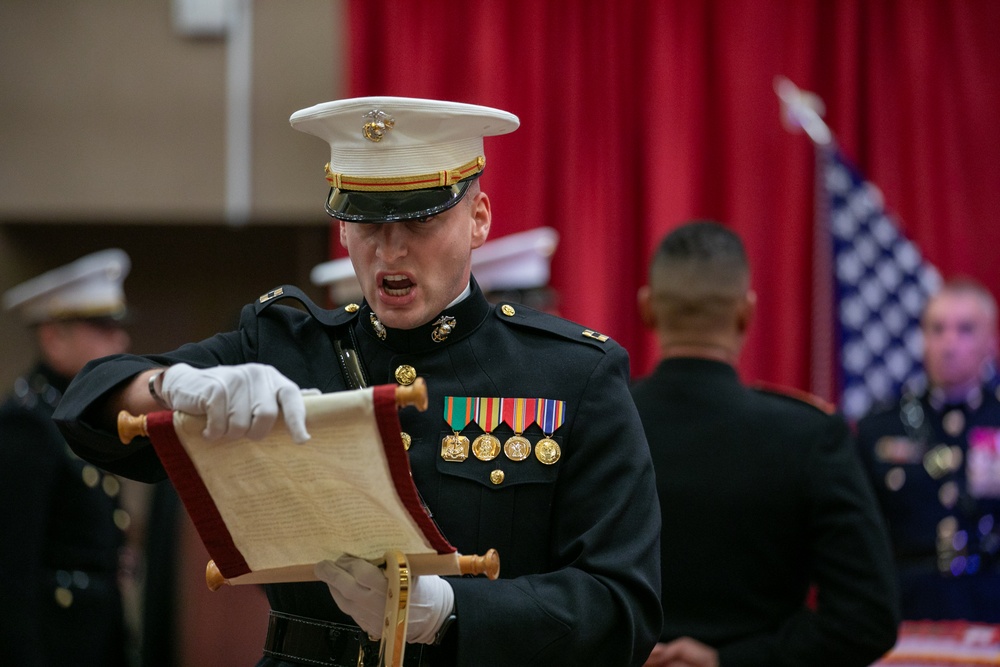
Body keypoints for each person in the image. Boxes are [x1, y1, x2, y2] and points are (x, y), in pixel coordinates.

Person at [52, 97, 663, 666]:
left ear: (478, 219)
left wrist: (455, 612)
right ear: (342, 228)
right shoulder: (286, 347)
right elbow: (87, 405)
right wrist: (172, 387)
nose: (389, 251)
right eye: (365, 223)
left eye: (419, 222)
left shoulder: (570, 373)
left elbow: (623, 608)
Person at [631, 221, 899, 667]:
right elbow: (868, 618)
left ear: (647, 308)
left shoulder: (596, 424)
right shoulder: (809, 436)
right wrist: (731, 660)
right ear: (746, 312)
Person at [0, 249, 133, 666]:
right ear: (53, 338)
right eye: (102, 327)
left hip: (94, 635)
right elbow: (12, 570)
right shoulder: (27, 424)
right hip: (53, 644)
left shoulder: (76, 414)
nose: (121, 340)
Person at [856, 277, 1000, 622]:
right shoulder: (882, 426)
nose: (948, 343)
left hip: (990, 602)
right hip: (907, 604)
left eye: (965, 329)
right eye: (937, 329)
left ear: (990, 343)